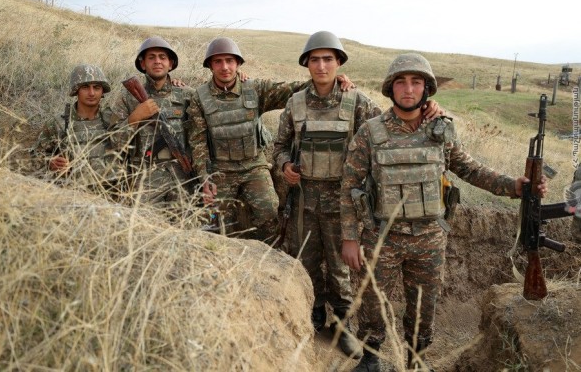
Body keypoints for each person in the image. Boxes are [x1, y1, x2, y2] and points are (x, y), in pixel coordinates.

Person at [340, 53, 548, 371]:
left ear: (426, 89)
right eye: (401, 82)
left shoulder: (441, 130)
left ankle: (417, 359)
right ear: (390, 88)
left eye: (416, 82)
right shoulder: (371, 132)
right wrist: (350, 238)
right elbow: (349, 185)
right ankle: (372, 358)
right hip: (382, 237)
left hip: (429, 237)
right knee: (371, 301)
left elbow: (468, 168)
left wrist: (513, 186)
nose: (408, 89)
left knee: (424, 307)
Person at [273, 33, 442, 359]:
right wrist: (284, 165)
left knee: (342, 270)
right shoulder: (294, 103)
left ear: (339, 63)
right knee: (305, 261)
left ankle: (345, 325)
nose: (322, 66)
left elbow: (392, 124)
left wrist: (427, 107)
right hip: (304, 200)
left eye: (328, 59)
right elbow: (279, 146)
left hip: (344, 201)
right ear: (307, 64)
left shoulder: (358, 102)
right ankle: (314, 316)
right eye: (315, 59)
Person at [187, 36, 355, 241]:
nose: (225, 67)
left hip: (253, 167)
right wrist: (205, 177)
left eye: (230, 61)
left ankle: (270, 257)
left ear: (238, 63)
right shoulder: (200, 97)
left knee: (269, 211)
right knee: (215, 221)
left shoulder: (255, 89)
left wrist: (328, 80)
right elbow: (198, 142)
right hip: (220, 169)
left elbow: (292, 90)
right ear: (210, 66)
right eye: (218, 62)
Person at [111, 36, 196, 206]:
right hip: (144, 177)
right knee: (142, 227)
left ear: (170, 63)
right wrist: (134, 118)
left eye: (162, 57)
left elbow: (200, 136)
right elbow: (114, 142)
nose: (157, 61)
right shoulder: (127, 97)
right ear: (143, 64)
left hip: (181, 175)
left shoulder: (188, 94)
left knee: (186, 226)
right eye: (151, 57)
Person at [32, 64, 123, 193]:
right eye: (85, 87)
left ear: (102, 91)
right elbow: (35, 156)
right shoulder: (59, 124)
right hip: (72, 194)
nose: (91, 93)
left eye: (96, 87)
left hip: (111, 195)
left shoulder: (114, 120)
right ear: (76, 90)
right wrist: (50, 162)